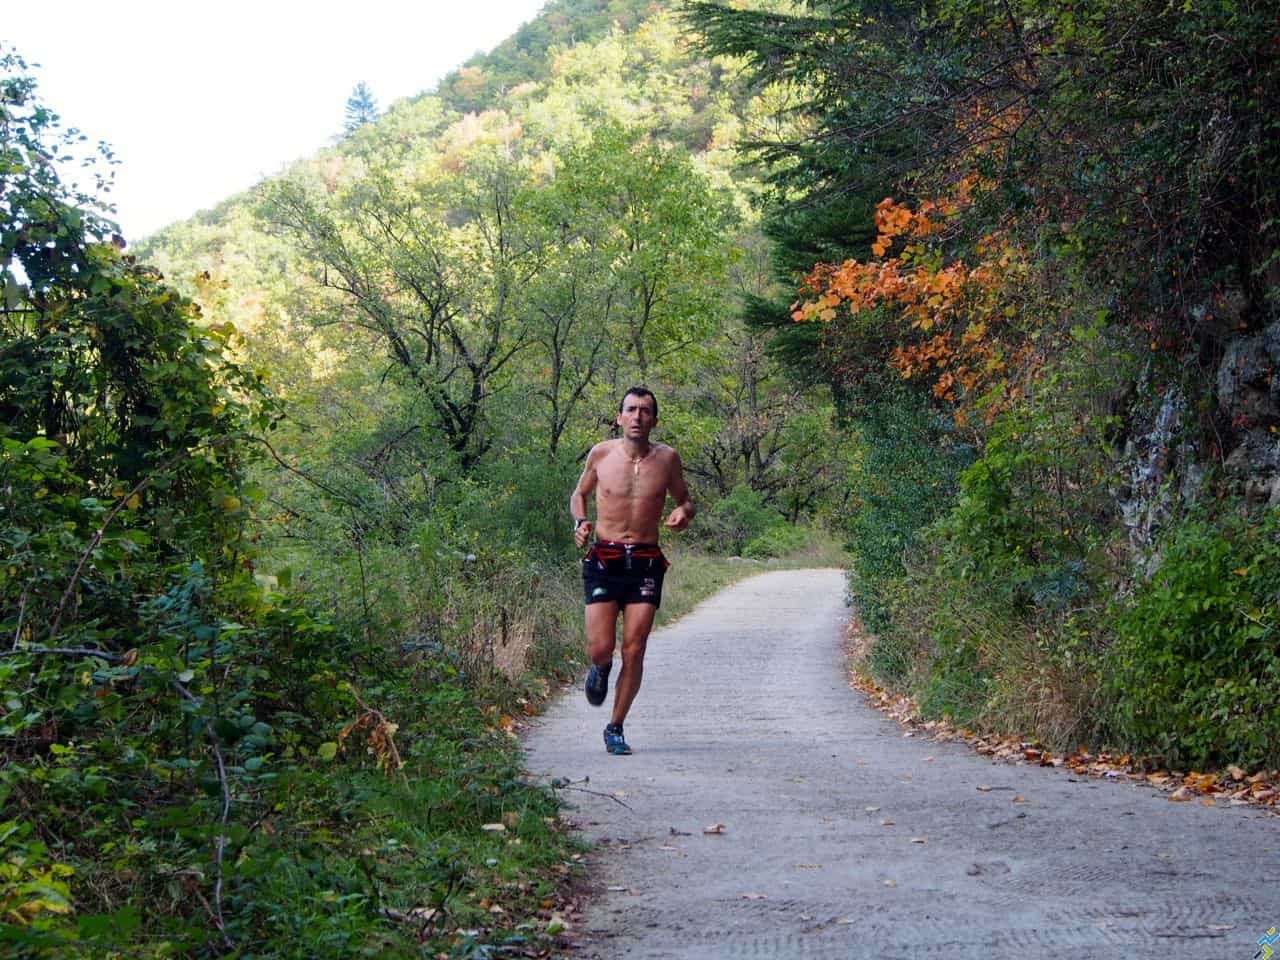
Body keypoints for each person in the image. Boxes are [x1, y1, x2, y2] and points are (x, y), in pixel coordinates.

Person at [569, 387, 695, 755]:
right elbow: (580, 494)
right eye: (631, 410)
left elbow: (686, 500)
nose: (638, 417)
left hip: (644, 561)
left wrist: (683, 513)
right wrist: (579, 522)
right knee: (601, 648)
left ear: (655, 420)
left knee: (635, 649)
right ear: (620, 417)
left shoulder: (668, 459)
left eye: (645, 411)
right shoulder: (601, 454)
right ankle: (600, 667)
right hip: (604, 558)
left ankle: (615, 726)